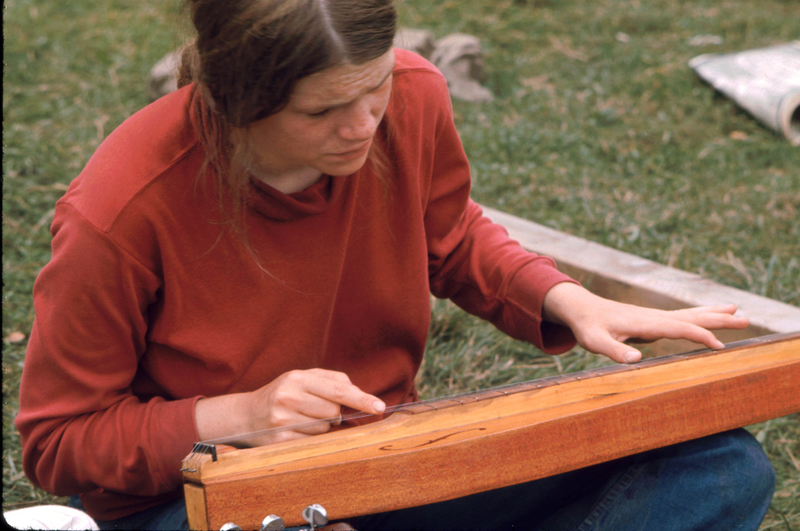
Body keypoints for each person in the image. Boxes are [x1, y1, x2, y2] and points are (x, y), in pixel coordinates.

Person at [15, 0, 775, 529]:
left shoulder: (412, 95)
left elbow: (450, 234)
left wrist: (568, 299)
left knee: (719, 465)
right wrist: (239, 417)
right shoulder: (119, 210)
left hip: (388, 458)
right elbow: (60, 442)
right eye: (322, 112)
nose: (364, 125)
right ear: (236, 101)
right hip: (200, 500)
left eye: (375, 87)